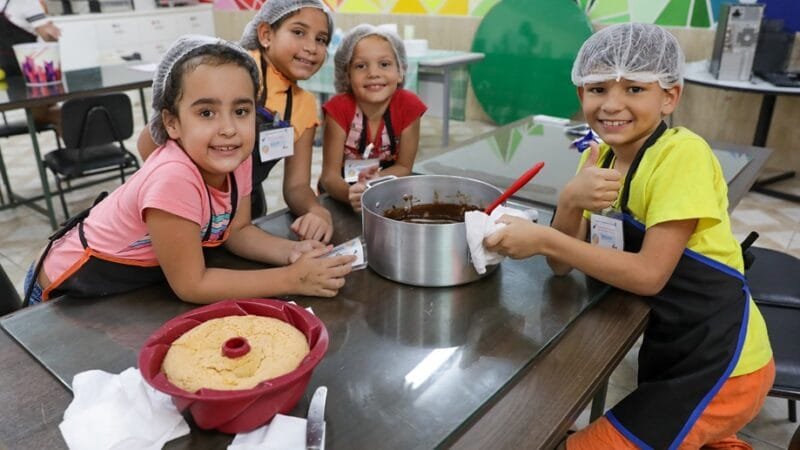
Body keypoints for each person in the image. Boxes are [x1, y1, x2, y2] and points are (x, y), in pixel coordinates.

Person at [484, 23, 774, 449]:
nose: (612, 104)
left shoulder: (681, 155)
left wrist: (544, 238)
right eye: (597, 88)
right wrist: (569, 201)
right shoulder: (597, 154)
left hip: (723, 365)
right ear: (580, 93)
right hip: (672, 349)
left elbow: (648, 275)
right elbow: (563, 266)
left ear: (669, 97)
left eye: (635, 89)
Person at [22, 35, 354, 307]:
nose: (228, 129)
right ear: (172, 123)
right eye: (206, 112)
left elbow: (237, 232)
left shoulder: (237, 158)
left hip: (132, 288)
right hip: (67, 291)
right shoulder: (173, 178)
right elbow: (192, 284)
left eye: (241, 110)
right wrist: (293, 279)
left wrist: (291, 252)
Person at [137, 0, 335, 243]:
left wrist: (316, 210)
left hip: (244, 208)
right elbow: (148, 145)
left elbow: (296, 186)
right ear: (266, 35)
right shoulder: (232, 71)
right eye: (298, 32)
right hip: (184, 207)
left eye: (321, 39)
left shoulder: (304, 106)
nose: (311, 47)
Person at [318, 24, 426, 213]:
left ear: (400, 71)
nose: (373, 73)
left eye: (384, 64)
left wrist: (374, 183)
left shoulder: (409, 107)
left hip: (385, 188)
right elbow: (329, 177)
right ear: (347, 75)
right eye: (361, 66)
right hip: (340, 194)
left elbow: (403, 166)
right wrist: (350, 194)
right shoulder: (339, 109)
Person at [0, 0, 61, 127]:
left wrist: (49, 31)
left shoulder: (25, 2)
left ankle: (87, 143)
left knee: (44, 116)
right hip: (5, 80)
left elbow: (47, 35)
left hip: (31, 78)